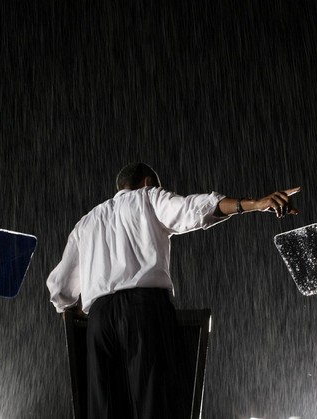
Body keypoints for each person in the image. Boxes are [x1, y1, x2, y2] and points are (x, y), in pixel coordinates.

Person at [46, 162, 300, 419]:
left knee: (105, 408)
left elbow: (59, 286)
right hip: (144, 309)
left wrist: (74, 308)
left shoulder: (87, 222)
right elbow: (194, 208)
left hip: (99, 319)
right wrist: (254, 204)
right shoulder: (148, 197)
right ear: (147, 182)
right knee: (154, 403)